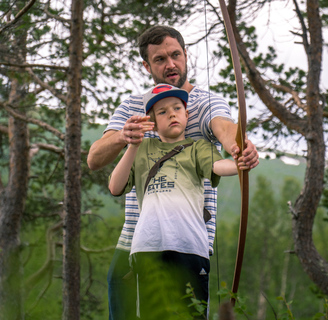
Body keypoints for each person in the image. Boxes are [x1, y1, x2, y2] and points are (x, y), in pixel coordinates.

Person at [87, 25, 259, 320]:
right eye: (160, 59)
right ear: (146, 65)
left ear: (185, 54)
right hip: (139, 239)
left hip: (187, 240)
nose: (170, 65)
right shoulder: (133, 106)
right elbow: (94, 158)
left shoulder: (204, 103)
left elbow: (225, 129)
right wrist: (122, 136)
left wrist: (238, 147)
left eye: (175, 55)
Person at [109, 84, 242, 318]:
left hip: (190, 247)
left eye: (177, 108)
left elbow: (218, 166)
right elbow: (115, 186)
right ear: (153, 122)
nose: (171, 114)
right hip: (148, 247)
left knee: (193, 313)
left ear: (187, 114)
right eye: (162, 112)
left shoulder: (199, 147)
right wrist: (132, 145)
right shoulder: (142, 149)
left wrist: (240, 163)